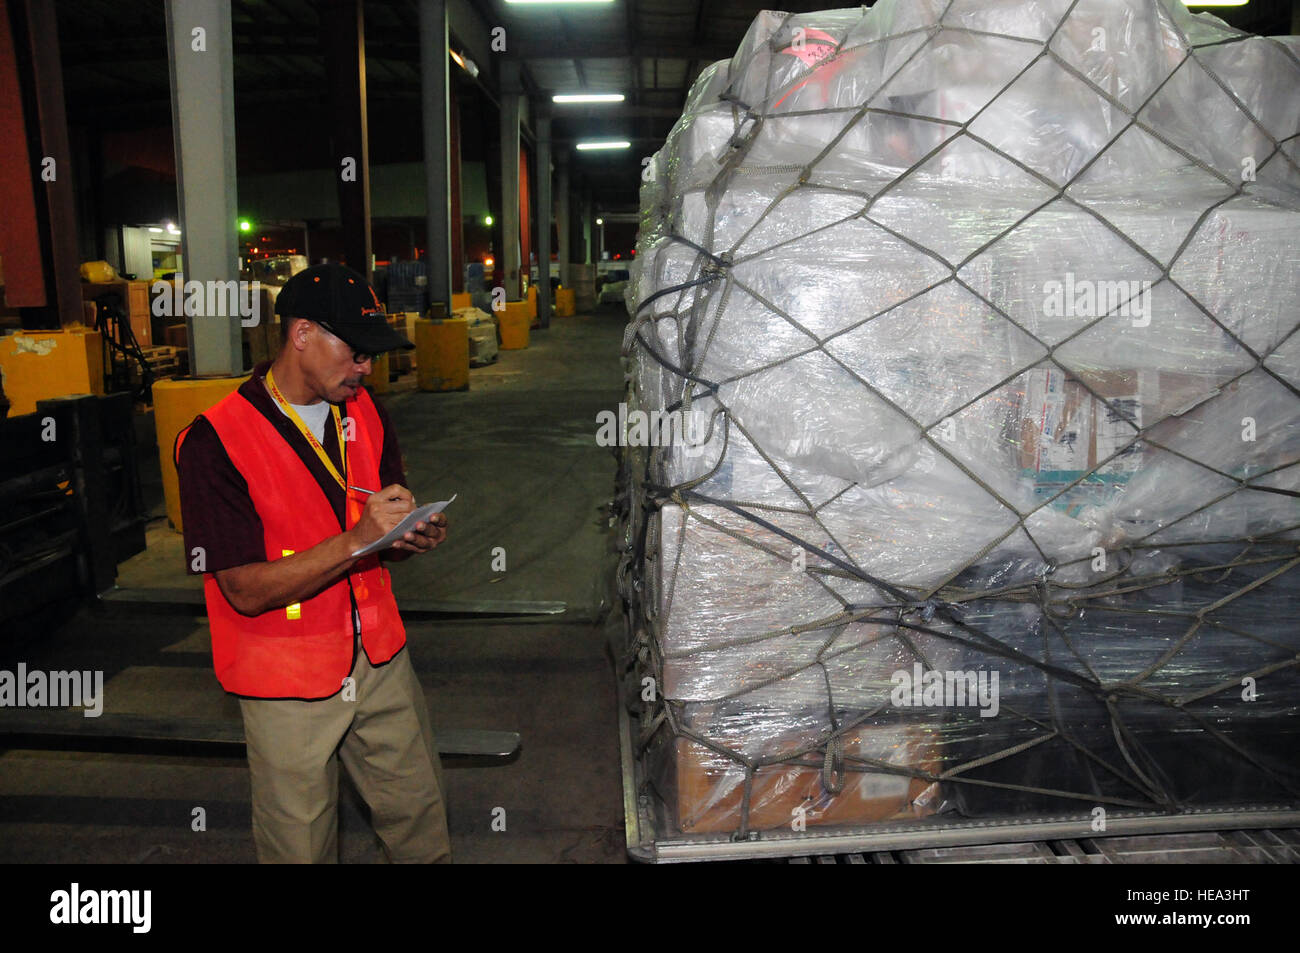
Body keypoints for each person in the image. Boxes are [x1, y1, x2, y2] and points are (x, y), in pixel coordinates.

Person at [175, 263, 451, 864]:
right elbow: (243, 590)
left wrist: (407, 535)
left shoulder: (365, 412)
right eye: (355, 353)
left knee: (419, 820)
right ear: (301, 334)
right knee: (299, 846)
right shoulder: (215, 441)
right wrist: (358, 539)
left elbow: (383, 520)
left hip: (379, 658)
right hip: (286, 680)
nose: (366, 369)